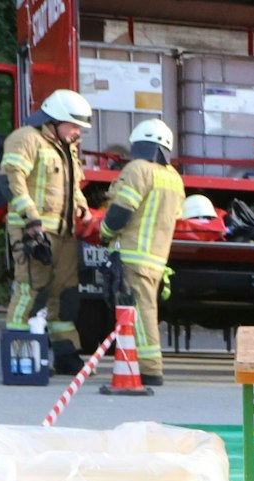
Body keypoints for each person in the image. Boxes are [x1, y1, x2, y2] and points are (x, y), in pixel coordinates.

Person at [1, 89, 93, 375]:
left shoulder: (67, 148)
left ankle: (65, 354)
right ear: (55, 120)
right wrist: (30, 219)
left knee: (65, 294)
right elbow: (11, 180)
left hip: (63, 234)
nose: (77, 132)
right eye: (74, 125)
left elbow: (72, 187)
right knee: (31, 290)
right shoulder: (26, 139)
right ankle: (20, 357)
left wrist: (83, 208)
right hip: (33, 231)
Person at [97, 119, 184, 386]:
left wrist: (105, 233)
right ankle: (137, 362)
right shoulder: (174, 178)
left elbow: (122, 209)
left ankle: (150, 368)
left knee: (142, 311)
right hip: (157, 257)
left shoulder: (138, 170)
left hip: (134, 254)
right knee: (144, 309)